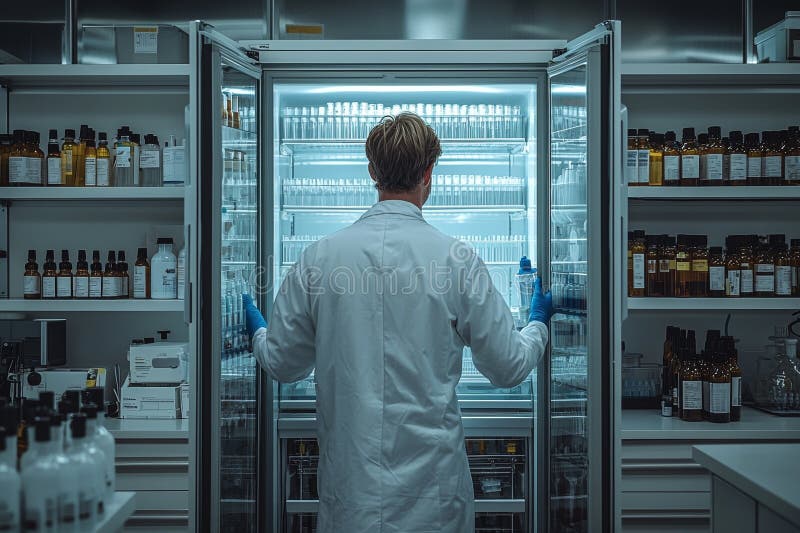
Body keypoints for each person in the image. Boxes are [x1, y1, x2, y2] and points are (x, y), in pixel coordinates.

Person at [243, 112, 553, 533]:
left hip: (352, 497)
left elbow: (284, 363)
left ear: (372, 172)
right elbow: (507, 367)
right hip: (434, 498)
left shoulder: (320, 259)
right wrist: (537, 325)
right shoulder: (456, 259)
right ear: (429, 173)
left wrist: (260, 332)